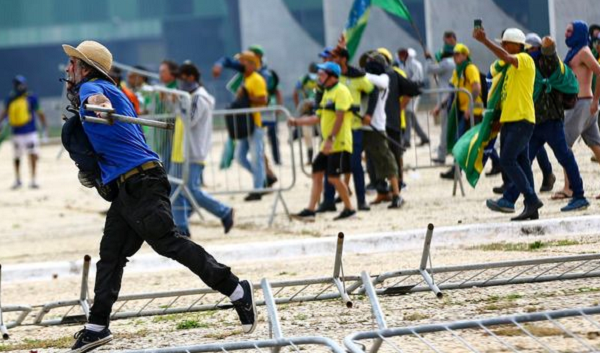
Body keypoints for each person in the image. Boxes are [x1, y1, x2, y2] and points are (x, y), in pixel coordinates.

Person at [61, 41, 256, 353]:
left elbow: (97, 101)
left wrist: (99, 108)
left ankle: (235, 289)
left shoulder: (94, 89)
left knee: (168, 243)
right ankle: (97, 327)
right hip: (128, 187)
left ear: (85, 69)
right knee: (111, 255)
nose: (68, 69)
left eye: (72, 63)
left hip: (142, 182)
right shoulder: (103, 90)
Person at [487, 36, 590, 214]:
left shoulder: (546, 62)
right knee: (524, 161)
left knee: (564, 156)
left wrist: (548, 45)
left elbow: (550, 52)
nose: (528, 52)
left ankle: (579, 196)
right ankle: (515, 200)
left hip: (551, 121)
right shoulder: (528, 64)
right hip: (535, 122)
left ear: (538, 49)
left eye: (531, 48)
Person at [473, 27, 543, 221]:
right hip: (511, 121)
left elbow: (507, 57)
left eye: (506, 42)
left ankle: (531, 198)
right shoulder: (509, 69)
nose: (503, 45)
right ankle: (532, 207)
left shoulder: (524, 59)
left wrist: (485, 41)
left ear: (517, 45)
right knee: (522, 163)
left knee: (507, 160)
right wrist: (496, 121)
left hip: (521, 119)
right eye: (502, 43)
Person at [171, 62, 235, 236]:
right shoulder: (189, 96)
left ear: (191, 77)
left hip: (193, 151)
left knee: (191, 189)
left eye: (182, 78)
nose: (180, 82)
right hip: (181, 151)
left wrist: (178, 103)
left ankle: (224, 211)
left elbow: (189, 120)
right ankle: (181, 227)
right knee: (176, 189)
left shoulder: (199, 98)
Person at [288, 62, 356, 221]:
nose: (318, 77)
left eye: (322, 74)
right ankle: (310, 210)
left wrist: (331, 139)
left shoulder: (341, 91)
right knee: (317, 172)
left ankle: (350, 209)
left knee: (333, 177)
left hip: (339, 142)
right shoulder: (326, 92)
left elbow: (340, 117)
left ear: (332, 77)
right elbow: (317, 118)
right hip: (327, 143)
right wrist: (297, 122)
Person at [320, 47, 377, 212]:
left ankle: (361, 201)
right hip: (333, 130)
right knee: (329, 166)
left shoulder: (357, 77)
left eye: (334, 57)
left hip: (353, 128)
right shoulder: (330, 78)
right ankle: (328, 201)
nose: (331, 59)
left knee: (355, 165)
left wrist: (369, 114)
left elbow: (373, 92)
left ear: (343, 59)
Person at [557, 21, 600, 199]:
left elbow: (599, 71)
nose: (566, 34)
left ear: (579, 33)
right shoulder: (574, 51)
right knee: (596, 146)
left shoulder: (583, 52)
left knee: (564, 145)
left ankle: (569, 188)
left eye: (569, 31)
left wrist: (596, 100)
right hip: (582, 105)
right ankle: (569, 186)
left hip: (582, 104)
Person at [433, 43, 484, 179]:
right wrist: (440, 106)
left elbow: (476, 88)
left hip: (473, 112)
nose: (455, 57)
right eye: (454, 54)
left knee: (475, 142)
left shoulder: (470, 68)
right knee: (463, 140)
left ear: (465, 55)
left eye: (458, 54)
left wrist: (470, 108)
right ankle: (456, 170)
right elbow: (452, 91)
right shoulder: (458, 71)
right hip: (463, 112)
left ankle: (457, 170)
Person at [362, 52, 404, 208]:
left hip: (376, 126)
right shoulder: (369, 79)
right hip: (364, 126)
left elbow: (372, 79)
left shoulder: (383, 79)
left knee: (387, 161)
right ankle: (382, 192)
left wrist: (360, 74)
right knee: (373, 163)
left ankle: (396, 194)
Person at [0, 75, 48, 189]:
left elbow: (39, 112)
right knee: (21, 156)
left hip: (27, 132)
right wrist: (44, 127)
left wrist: (44, 126)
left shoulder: (27, 98)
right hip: (20, 132)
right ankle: (24, 180)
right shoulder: (14, 98)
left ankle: (29, 179)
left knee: (27, 155)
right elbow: (40, 112)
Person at [234, 51, 269, 201]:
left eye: (242, 61)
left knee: (256, 157)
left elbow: (263, 99)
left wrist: (246, 95)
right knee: (240, 157)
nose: (240, 64)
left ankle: (258, 188)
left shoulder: (256, 79)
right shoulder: (245, 79)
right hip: (245, 123)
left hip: (255, 123)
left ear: (251, 64)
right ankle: (261, 181)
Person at [425, 33, 457, 164]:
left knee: (445, 127)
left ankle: (442, 155)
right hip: (456, 97)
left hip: (446, 99)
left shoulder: (446, 63)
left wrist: (428, 59)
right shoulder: (456, 63)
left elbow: (429, 69)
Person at [398, 48, 429, 147]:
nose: (401, 56)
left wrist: (408, 87)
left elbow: (416, 80)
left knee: (408, 113)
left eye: (403, 54)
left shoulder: (416, 65)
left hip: (414, 91)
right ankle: (424, 137)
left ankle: (406, 140)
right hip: (407, 91)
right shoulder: (403, 65)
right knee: (411, 116)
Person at [293, 62, 320, 163]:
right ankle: (310, 157)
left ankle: (321, 156)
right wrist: (298, 107)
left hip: (319, 108)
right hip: (306, 109)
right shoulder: (304, 79)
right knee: (307, 133)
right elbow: (295, 92)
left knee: (322, 133)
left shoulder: (322, 78)